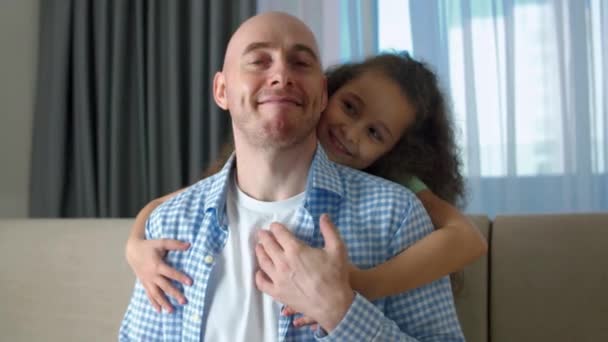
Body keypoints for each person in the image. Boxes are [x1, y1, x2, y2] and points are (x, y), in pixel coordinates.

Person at [119, 11, 465, 340]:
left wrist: (341, 311)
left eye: (300, 63)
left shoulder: (397, 215)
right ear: (222, 91)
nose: (282, 75)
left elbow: (467, 239)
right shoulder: (169, 224)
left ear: (322, 93)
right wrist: (135, 242)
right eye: (258, 61)